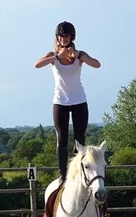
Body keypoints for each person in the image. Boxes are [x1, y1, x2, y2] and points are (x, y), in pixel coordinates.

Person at [34, 21, 101, 183]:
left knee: (79, 139)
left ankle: (78, 172)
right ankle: (63, 176)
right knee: (61, 137)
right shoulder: (53, 56)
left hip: (79, 100)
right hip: (60, 102)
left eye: (66, 35)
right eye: (61, 36)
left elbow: (97, 64)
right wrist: (57, 56)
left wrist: (78, 56)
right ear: (57, 38)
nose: (63, 38)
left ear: (72, 37)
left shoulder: (80, 54)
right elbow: (37, 65)